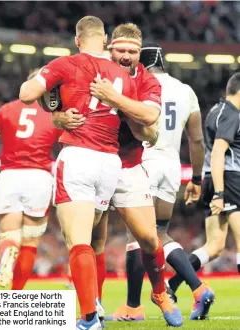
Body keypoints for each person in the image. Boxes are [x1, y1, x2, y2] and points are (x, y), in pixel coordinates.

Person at [19, 16, 160, 330]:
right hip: (111, 165)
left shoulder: (66, 64)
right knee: (95, 239)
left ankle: (89, 318)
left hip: (79, 157)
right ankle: (94, 304)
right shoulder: (122, 74)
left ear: (77, 40)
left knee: (78, 241)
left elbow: (27, 94)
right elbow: (144, 123)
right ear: (106, 39)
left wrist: (52, 101)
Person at [75, 24, 183, 327]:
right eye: (120, 50)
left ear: (139, 53)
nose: (126, 56)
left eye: (132, 51)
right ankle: (93, 305)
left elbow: (149, 118)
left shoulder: (148, 81)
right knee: (94, 241)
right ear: (111, 49)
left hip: (128, 165)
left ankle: (159, 293)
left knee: (149, 238)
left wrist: (113, 98)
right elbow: (57, 89)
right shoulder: (94, 68)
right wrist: (57, 112)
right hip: (94, 161)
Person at [105, 42, 215, 321]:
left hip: (146, 161)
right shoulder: (185, 90)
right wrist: (197, 178)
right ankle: (198, 287)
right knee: (159, 233)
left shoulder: (138, 84)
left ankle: (132, 307)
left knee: (138, 236)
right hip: (171, 167)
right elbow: (197, 139)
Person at [0, 70, 60, 290]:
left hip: (9, 176)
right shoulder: (54, 113)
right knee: (30, 244)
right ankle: (16, 294)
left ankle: (8, 251)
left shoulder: (7, 109)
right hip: (39, 177)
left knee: (9, 237)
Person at [168, 72, 240, 306]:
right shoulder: (231, 114)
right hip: (228, 180)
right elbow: (219, 151)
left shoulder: (216, 112)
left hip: (212, 177)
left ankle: (172, 284)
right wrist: (220, 192)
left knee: (215, 246)